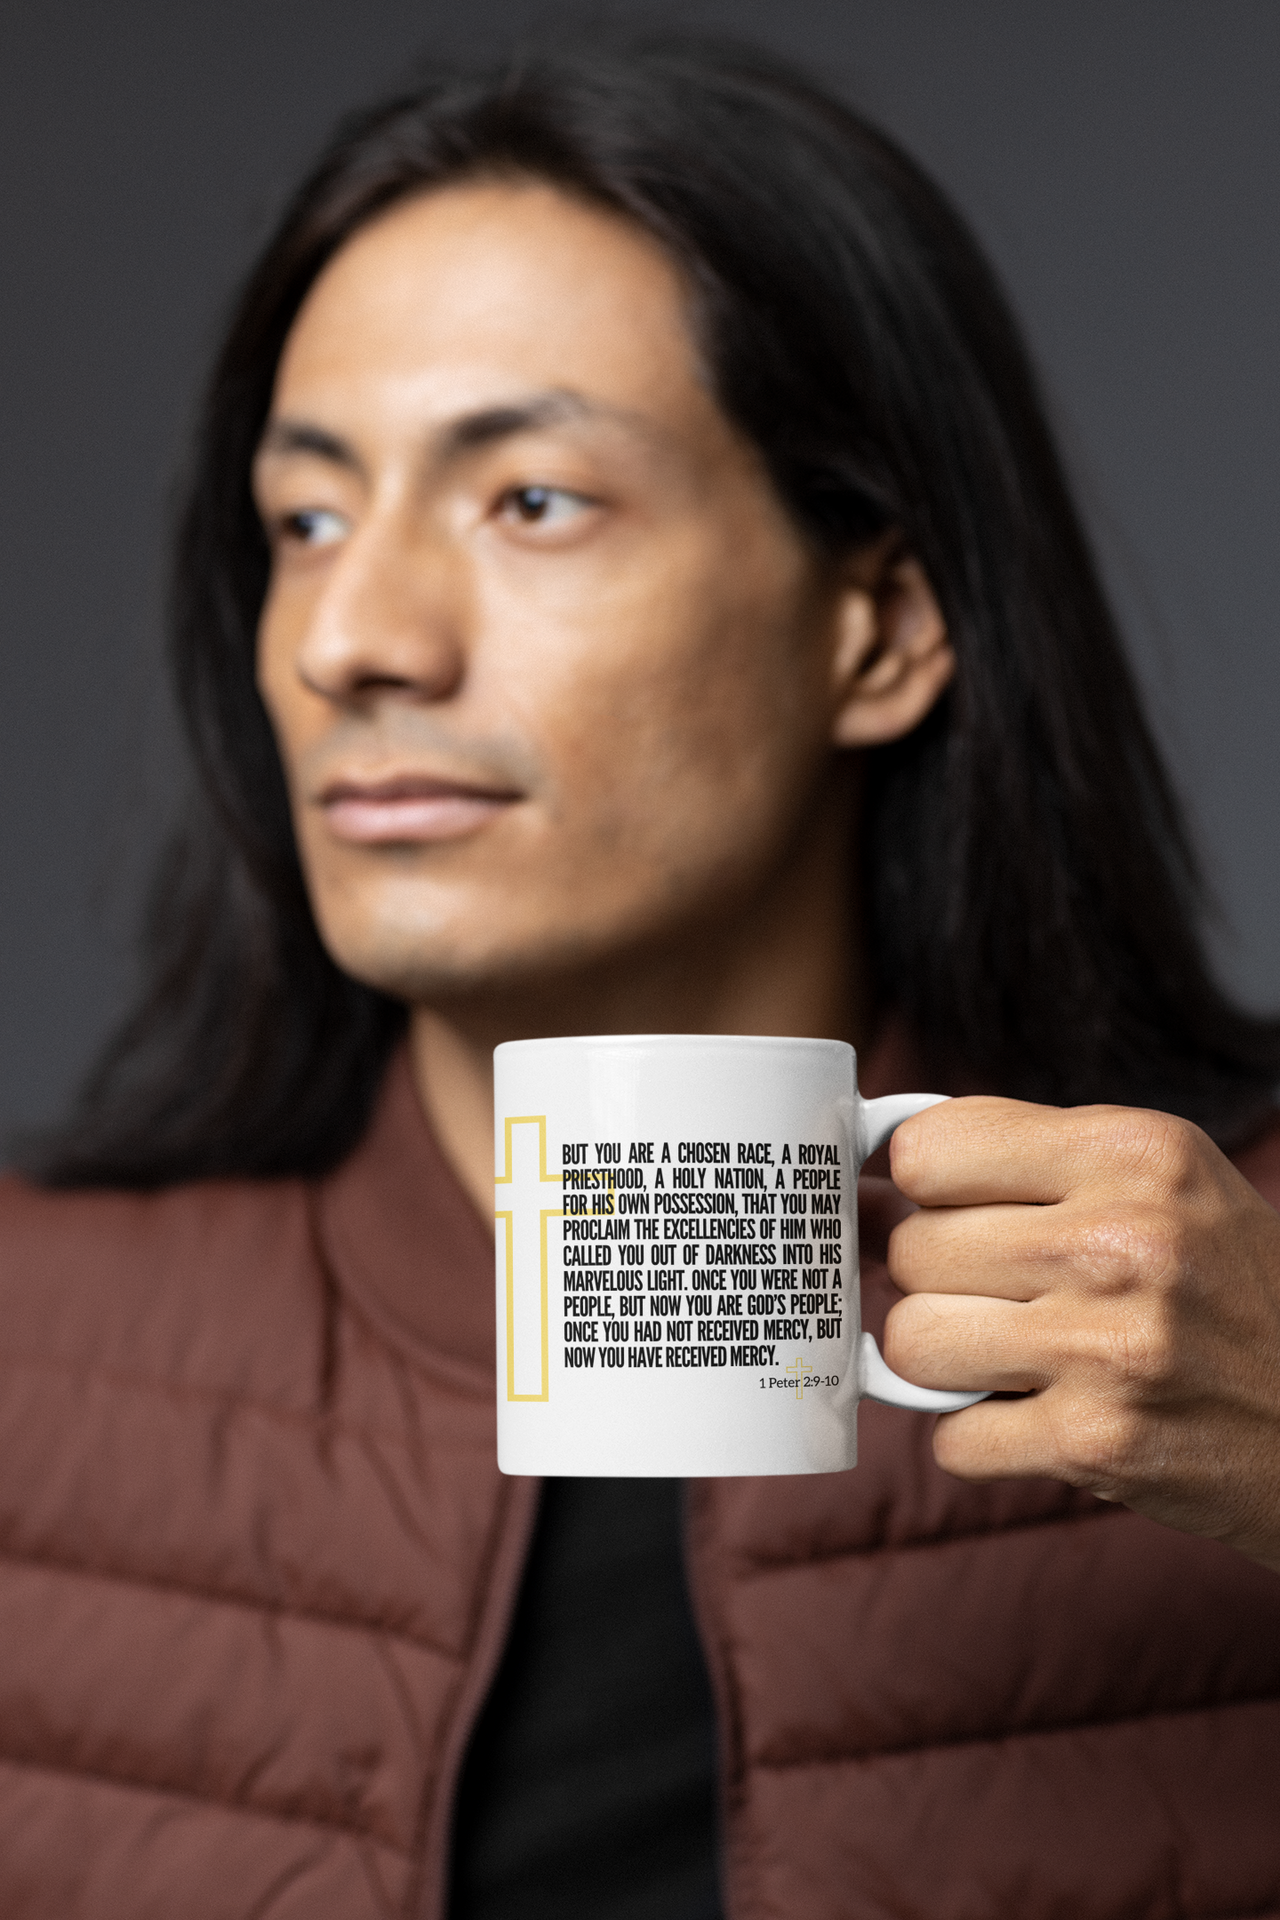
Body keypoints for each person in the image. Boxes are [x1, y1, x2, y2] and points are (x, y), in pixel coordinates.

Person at [2, 30, 1280, 1919]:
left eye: (531, 500)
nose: (356, 636)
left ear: (882, 628)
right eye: (307, 519)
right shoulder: (39, 1334)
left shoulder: (1242, 1295)